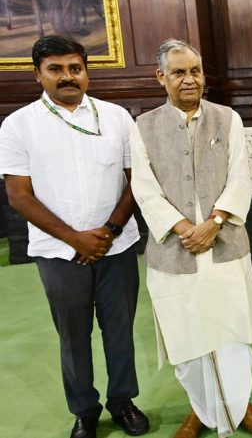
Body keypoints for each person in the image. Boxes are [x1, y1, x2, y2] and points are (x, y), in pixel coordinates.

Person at [0, 35, 148, 438]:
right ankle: (84, 410)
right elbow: (18, 195)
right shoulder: (18, 125)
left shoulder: (117, 117)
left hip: (117, 245)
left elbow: (137, 181)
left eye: (75, 68)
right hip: (57, 252)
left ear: (86, 71)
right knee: (73, 334)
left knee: (120, 329)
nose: (67, 77)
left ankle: (123, 402)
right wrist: (74, 239)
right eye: (55, 69)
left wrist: (110, 230)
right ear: (38, 75)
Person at [130, 39, 252, 437]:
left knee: (232, 330)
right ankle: (200, 410)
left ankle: (239, 404)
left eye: (195, 71)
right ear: (161, 77)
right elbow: (144, 187)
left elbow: (242, 175)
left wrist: (215, 221)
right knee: (185, 334)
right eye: (178, 72)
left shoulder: (227, 119)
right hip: (174, 248)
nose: (189, 80)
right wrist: (183, 228)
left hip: (223, 242)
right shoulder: (143, 126)